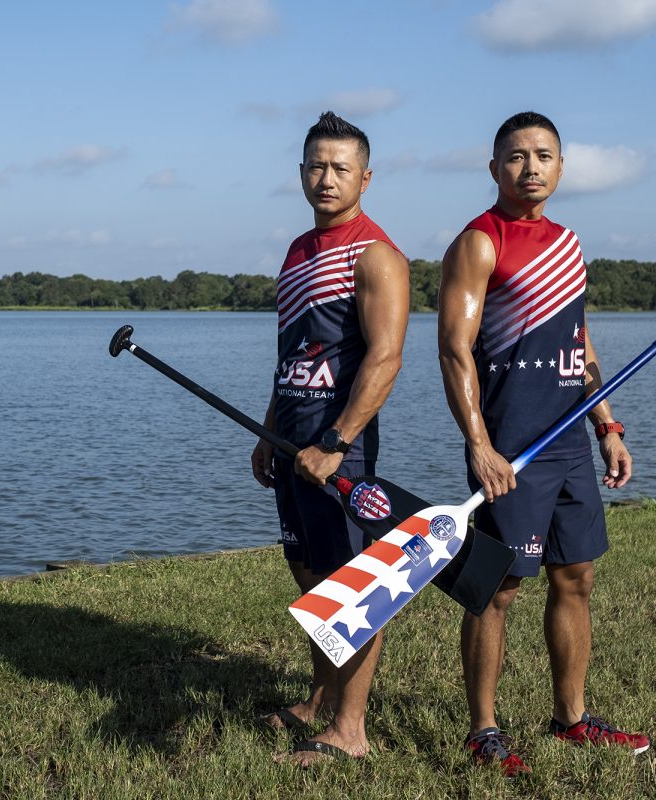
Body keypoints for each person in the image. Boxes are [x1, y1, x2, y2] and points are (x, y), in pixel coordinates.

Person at [437, 111, 650, 777]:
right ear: (495, 166)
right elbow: (454, 349)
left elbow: (580, 344)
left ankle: (571, 720)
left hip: (567, 446)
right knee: (498, 590)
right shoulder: (480, 241)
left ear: (561, 166)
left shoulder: (568, 244)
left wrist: (606, 426)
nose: (531, 167)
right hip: (510, 450)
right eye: (517, 156)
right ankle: (483, 731)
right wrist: (479, 444)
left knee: (576, 577)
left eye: (544, 155)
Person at [250, 111, 410, 767]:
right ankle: (319, 698)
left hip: (340, 451)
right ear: (300, 173)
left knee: (353, 584)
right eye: (316, 165)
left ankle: (351, 730)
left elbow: (386, 358)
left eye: (341, 167)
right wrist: (270, 427)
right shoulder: (296, 251)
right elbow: (291, 352)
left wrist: (338, 441)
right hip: (292, 442)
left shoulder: (376, 254)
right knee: (310, 574)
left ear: (365, 177)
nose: (326, 177)